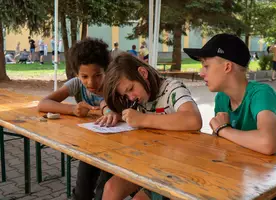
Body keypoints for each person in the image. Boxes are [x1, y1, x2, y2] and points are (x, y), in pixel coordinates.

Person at [100, 52, 202, 200]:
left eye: (130, 89)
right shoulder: (137, 99)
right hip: (148, 163)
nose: (131, 98)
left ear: (142, 73)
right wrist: (111, 112)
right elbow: (105, 103)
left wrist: (143, 119)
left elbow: (194, 120)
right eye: (125, 95)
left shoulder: (173, 89)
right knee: (111, 188)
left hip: (176, 169)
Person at [37, 37, 121, 200]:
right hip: (89, 145)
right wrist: (72, 109)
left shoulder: (115, 85)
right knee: (82, 191)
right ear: (77, 74)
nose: (91, 82)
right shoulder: (76, 84)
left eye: (98, 75)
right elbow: (43, 104)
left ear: (107, 71)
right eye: (84, 76)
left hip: (116, 149)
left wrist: (108, 109)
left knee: (103, 193)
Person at [183, 33, 276, 154]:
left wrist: (223, 129)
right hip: (246, 167)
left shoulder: (261, 94)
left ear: (227, 67)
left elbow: (268, 143)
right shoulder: (222, 98)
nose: (201, 73)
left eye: (206, 66)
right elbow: (221, 145)